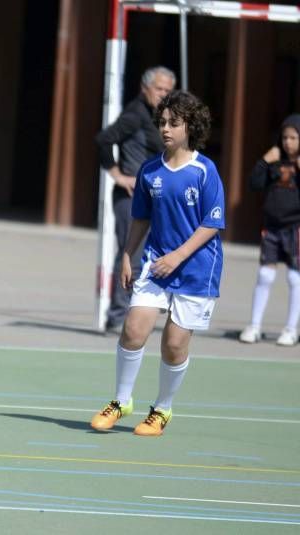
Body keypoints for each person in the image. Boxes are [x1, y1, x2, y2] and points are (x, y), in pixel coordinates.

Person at [90, 90, 224, 437]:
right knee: (134, 329)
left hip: (195, 270)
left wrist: (179, 256)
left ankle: (162, 410)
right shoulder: (150, 171)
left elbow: (212, 223)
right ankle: (121, 401)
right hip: (154, 265)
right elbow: (140, 219)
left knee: (174, 344)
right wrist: (126, 255)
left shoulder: (204, 171)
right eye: (162, 122)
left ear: (189, 127)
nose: (165, 129)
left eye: (173, 123)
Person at [96, 66, 176, 333]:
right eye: (159, 89)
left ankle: (139, 311)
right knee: (132, 254)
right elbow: (104, 140)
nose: (164, 94)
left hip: (154, 197)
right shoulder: (135, 114)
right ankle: (118, 316)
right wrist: (118, 175)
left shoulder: (159, 117)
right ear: (145, 88)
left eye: (168, 90)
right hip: (130, 198)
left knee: (154, 255)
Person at [239, 114, 300, 346]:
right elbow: (254, 184)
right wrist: (264, 161)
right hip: (272, 227)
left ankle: (291, 329)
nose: (288, 142)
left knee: (295, 278)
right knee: (265, 275)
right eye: (285, 137)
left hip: (295, 229)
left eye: (294, 138)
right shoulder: (275, 161)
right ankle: (254, 326)